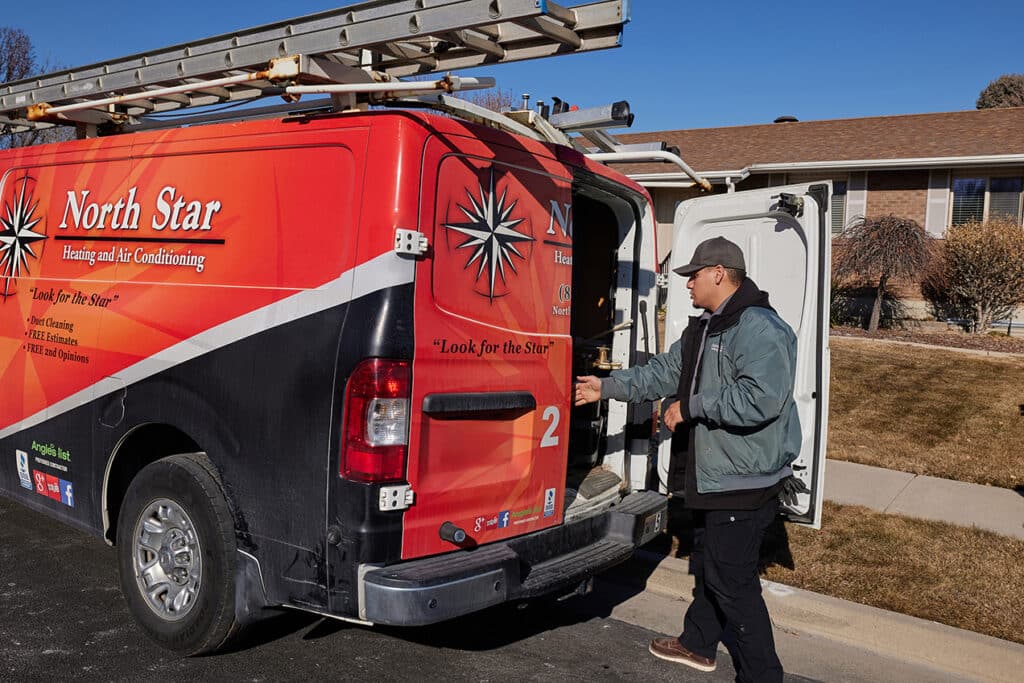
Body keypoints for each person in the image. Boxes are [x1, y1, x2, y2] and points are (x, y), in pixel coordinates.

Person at [575, 236, 806, 682]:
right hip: (713, 473)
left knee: (732, 583)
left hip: (744, 480)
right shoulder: (705, 327)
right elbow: (662, 372)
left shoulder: (760, 328)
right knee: (710, 564)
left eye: (693, 275)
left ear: (719, 273)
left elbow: (762, 399)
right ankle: (699, 643)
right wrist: (606, 387)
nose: (687, 285)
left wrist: (691, 406)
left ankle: (763, 675)